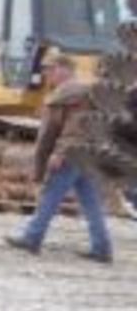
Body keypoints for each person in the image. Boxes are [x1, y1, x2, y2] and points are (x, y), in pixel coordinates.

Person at [7, 51, 112, 263]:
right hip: (87, 153)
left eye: (51, 70)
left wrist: (60, 152)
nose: (48, 75)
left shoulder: (73, 93)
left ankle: (32, 237)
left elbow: (76, 128)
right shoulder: (79, 91)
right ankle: (102, 248)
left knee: (50, 195)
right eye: (46, 71)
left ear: (65, 69)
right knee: (90, 201)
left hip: (71, 154)